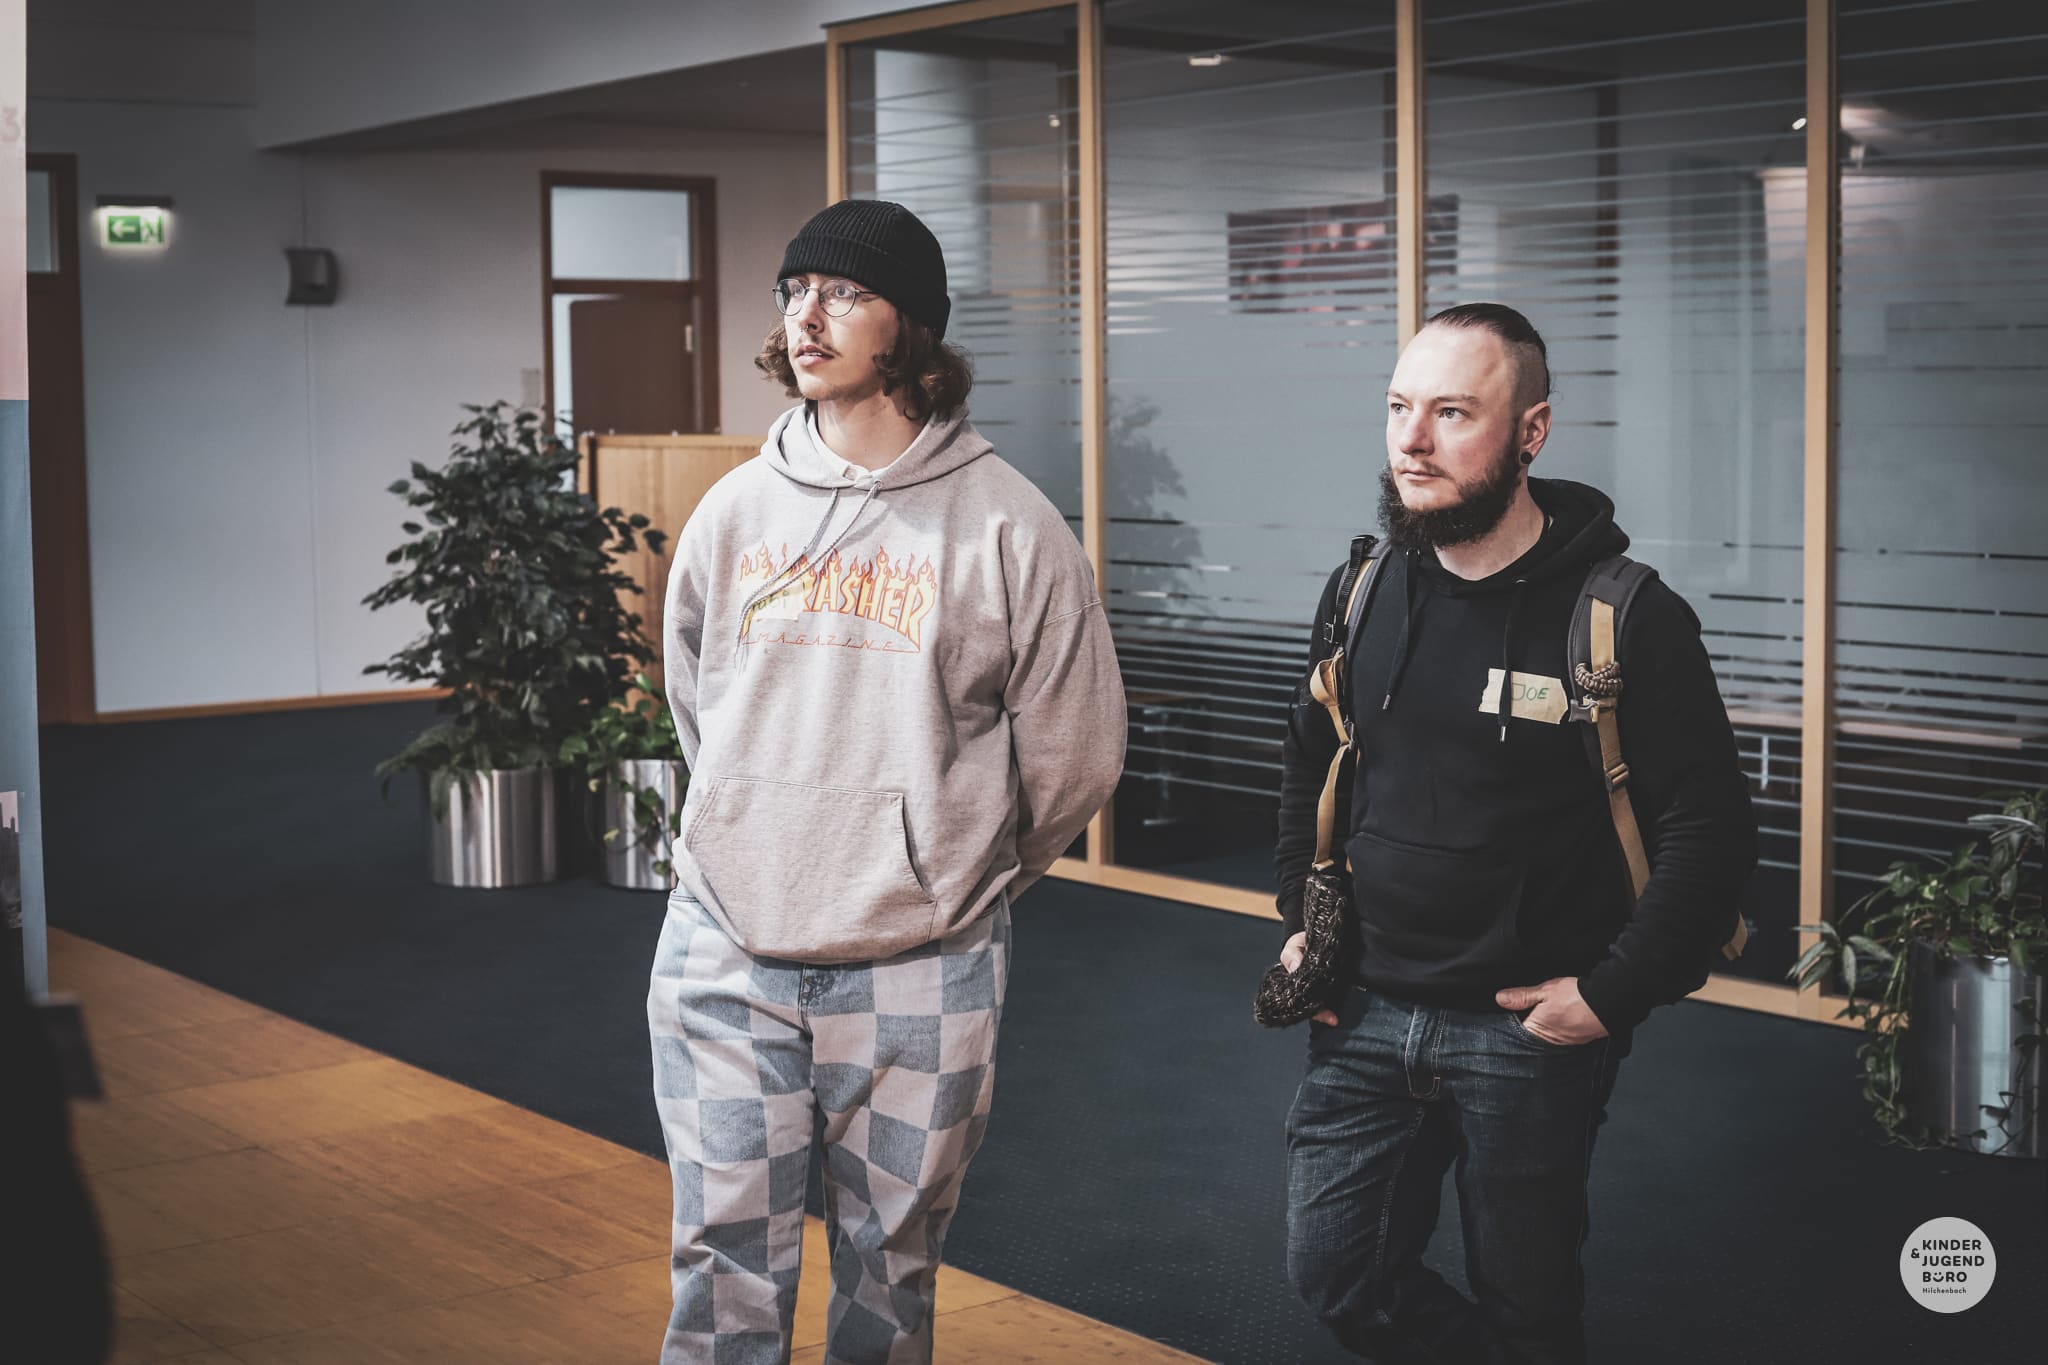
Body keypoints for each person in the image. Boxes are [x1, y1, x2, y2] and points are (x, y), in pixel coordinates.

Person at [649, 198, 1126, 1365]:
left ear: (909, 326)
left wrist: (943, 867)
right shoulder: (734, 510)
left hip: (922, 964)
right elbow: (695, 701)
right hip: (725, 948)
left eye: (843, 293)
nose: (805, 316)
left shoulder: (1008, 526)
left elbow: (1072, 757)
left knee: (890, 1274)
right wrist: (747, 822)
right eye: (793, 291)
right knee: (719, 1272)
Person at [1273, 302, 1757, 1363]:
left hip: (1526, 1031)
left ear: (1531, 431)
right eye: (1398, 407)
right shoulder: (1360, 591)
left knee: (1526, 1301)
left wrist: (1609, 995)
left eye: (1452, 413)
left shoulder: (1624, 616)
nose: (1411, 440)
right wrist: (1300, 920)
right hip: (1363, 1007)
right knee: (1338, 1275)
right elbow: (1313, 760)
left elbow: (1709, 830)